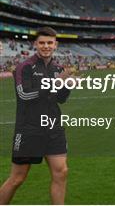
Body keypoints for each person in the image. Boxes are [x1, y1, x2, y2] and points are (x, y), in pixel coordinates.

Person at [0, 27, 71, 204]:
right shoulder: (24, 67)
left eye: (49, 43)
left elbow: (60, 99)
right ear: (35, 44)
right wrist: (52, 84)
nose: (46, 46)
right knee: (17, 178)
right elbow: (24, 94)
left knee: (61, 172)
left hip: (53, 128)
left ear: (56, 45)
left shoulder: (58, 69)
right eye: (42, 43)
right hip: (29, 130)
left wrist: (67, 85)